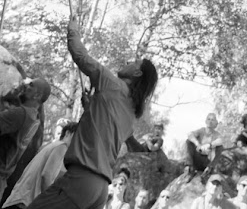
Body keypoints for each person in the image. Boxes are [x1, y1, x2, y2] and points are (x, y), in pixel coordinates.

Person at [29, 14, 158, 209]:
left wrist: (73, 29)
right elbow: (115, 136)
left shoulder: (112, 83)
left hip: (80, 180)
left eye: (134, 63)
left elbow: (80, 55)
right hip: (99, 190)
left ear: (137, 73)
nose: (128, 62)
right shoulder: (130, 113)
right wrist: (91, 108)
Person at [4, 121, 77, 208]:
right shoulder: (61, 147)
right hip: (26, 202)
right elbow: (46, 176)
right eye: (77, 136)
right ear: (68, 133)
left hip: (20, 199)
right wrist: (48, 201)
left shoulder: (52, 146)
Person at [0, 77, 51, 201]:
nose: (26, 87)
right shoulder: (35, 119)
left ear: (37, 95)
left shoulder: (20, 114)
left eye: (31, 86)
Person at [185, 113, 223, 179]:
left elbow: (220, 141)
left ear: (215, 123)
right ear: (206, 121)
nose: (210, 121)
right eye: (208, 119)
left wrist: (210, 145)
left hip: (207, 161)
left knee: (220, 148)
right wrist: (198, 144)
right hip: (197, 158)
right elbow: (189, 134)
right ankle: (190, 168)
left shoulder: (216, 134)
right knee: (188, 142)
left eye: (212, 120)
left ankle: (209, 169)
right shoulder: (201, 131)